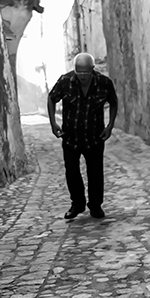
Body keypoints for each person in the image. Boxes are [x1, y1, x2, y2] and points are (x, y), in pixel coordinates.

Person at [48, 53, 118, 220]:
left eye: (86, 72)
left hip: (94, 137)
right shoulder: (65, 81)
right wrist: (53, 123)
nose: (82, 76)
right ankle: (77, 204)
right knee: (72, 172)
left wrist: (110, 126)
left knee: (95, 172)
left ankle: (95, 205)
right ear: (75, 70)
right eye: (79, 72)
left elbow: (113, 102)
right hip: (70, 137)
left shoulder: (104, 83)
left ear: (92, 69)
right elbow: (51, 99)